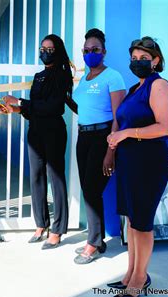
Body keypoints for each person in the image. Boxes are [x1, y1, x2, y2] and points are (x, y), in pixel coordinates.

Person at [107, 36, 168, 297]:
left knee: (142, 223)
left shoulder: (159, 86)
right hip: (130, 164)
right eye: (134, 59)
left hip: (149, 164)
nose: (138, 63)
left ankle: (139, 279)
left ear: (156, 61)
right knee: (133, 222)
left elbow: (164, 127)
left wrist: (125, 134)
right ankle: (130, 274)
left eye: (144, 59)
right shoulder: (136, 88)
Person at [0, 34, 77, 249]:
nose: (45, 52)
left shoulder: (62, 76)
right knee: (36, 177)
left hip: (53, 130)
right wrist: (15, 109)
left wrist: (21, 101)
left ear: (58, 51)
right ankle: (41, 224)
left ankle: (58, 229)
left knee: (56, 177)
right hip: (35, 130)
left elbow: (53, 107)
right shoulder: (38, 76)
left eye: (50, 49)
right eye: (42, 48)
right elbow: (34, 108)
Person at [72, 28, 126, 264]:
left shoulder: (113, 77)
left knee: (93, 190)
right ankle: (99, 238)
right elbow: (83, 109)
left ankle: (93, 242)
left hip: (103, 137)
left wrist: (110, 151)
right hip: (83, 136)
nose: (90, 53)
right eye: (86, 50)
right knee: (88, 188)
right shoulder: (84, 78)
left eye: (95, 50)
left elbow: (118, 117)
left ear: (104, 52)